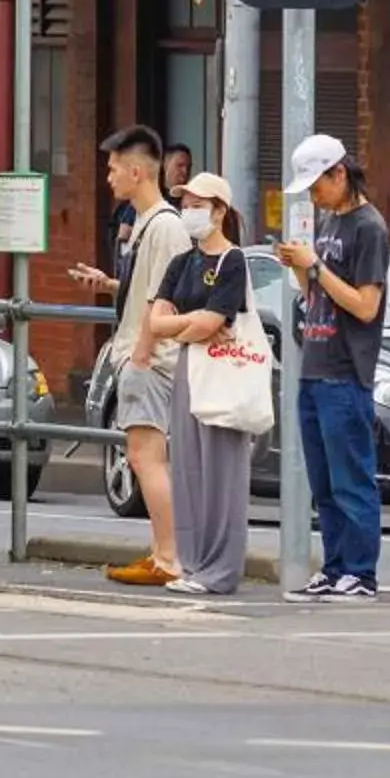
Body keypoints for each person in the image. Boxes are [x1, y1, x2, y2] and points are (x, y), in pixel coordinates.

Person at [67, 124, 188, 585]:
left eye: (115, 168)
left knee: (145, 457)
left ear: (137, 171)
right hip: (141, 354)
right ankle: (162, 553)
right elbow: (148, 287)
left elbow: (166, 294)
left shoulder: (164, 225)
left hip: (149, 360)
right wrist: (111, 284)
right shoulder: (148, 224)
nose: (109, 177)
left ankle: (169, 558)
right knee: (143, 456)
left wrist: (140, 352)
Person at [280, 131, 389, 598]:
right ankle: (336, 564)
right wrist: (300, 269)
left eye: (318, 184)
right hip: (315, 361)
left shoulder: (369, 228)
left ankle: (361, 571)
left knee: (351, 477)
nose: (313, 194)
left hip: (346, 369)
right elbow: (318, 297)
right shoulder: (328, 223)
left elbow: (366, 305)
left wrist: (316, 267)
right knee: (324, 481)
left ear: (340, 173)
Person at [149, 170, 255, 596]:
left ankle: (221, 570)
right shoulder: (182, 262)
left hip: (223, 369)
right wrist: (192, 323)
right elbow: (156, 321)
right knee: (189, 466)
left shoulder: (233, 261)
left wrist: (190, 323)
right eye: (185, 204)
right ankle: (192, 565)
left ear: (220, 211)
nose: (188, 212)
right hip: (188, 367)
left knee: (223, 471)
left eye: (198, 205)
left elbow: (216, 320)